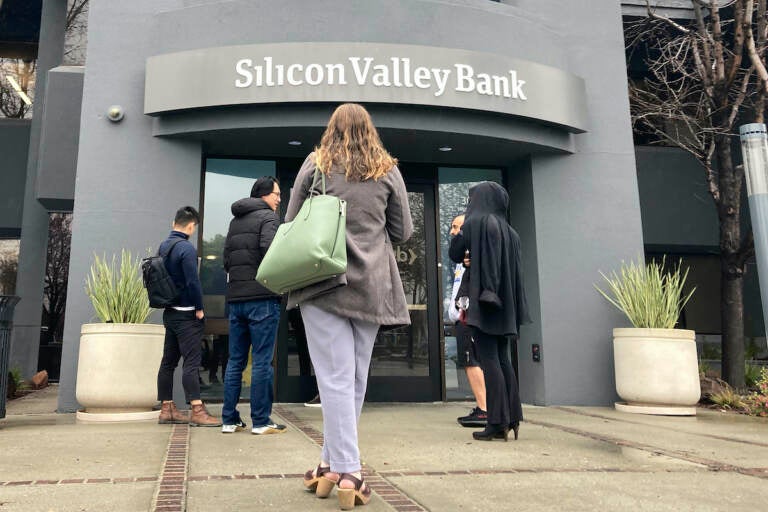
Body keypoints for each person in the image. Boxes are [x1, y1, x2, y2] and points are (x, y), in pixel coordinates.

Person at [291, 103, 412, 509]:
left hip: (321, 282)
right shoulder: (387, 169)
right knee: (353, 378)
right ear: (369, 129)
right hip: (372, 285)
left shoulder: (316, 164)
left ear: (331, 129)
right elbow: (404, 230)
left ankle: (348, 470)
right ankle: (329, 464)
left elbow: (292, 220)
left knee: (335, 378)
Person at [449, 182, 530, 442]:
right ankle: (512, 417)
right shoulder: (510, 232)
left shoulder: (475, 224)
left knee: (488, 359)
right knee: (504, 358)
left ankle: (496, 421)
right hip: (507, 304)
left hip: (485, 301)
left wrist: (463, 247)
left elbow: (454, 252)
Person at [221, 176, 286, 435]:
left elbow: (226, 259)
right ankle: (261, 421)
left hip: (236, 300)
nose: (279, 199)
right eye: (276, 194)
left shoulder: (235, 221)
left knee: (235, 361)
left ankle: (229, 419)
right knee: (261, 362)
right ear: (263, 195)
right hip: (262, 299)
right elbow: (270, 251)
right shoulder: (268, 218)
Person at [156, 206, 222, 427]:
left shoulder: (163, 247)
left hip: (170, 313)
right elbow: (193, 283)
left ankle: (167, 408)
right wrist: (200, 309)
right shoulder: (186, 249)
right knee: (191, 363)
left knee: (168, 362)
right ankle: (197, 409)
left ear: (174, 223)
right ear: (191, 226)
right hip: (186, 315)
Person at [447, 214, 487, 428]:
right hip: (462, 317)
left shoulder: (473, 258)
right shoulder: (462, 260)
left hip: (468, 319)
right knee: (470, 361)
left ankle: (484, 409)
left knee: (471, 361)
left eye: (456, 227)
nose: (453, 232)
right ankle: (484, 407)